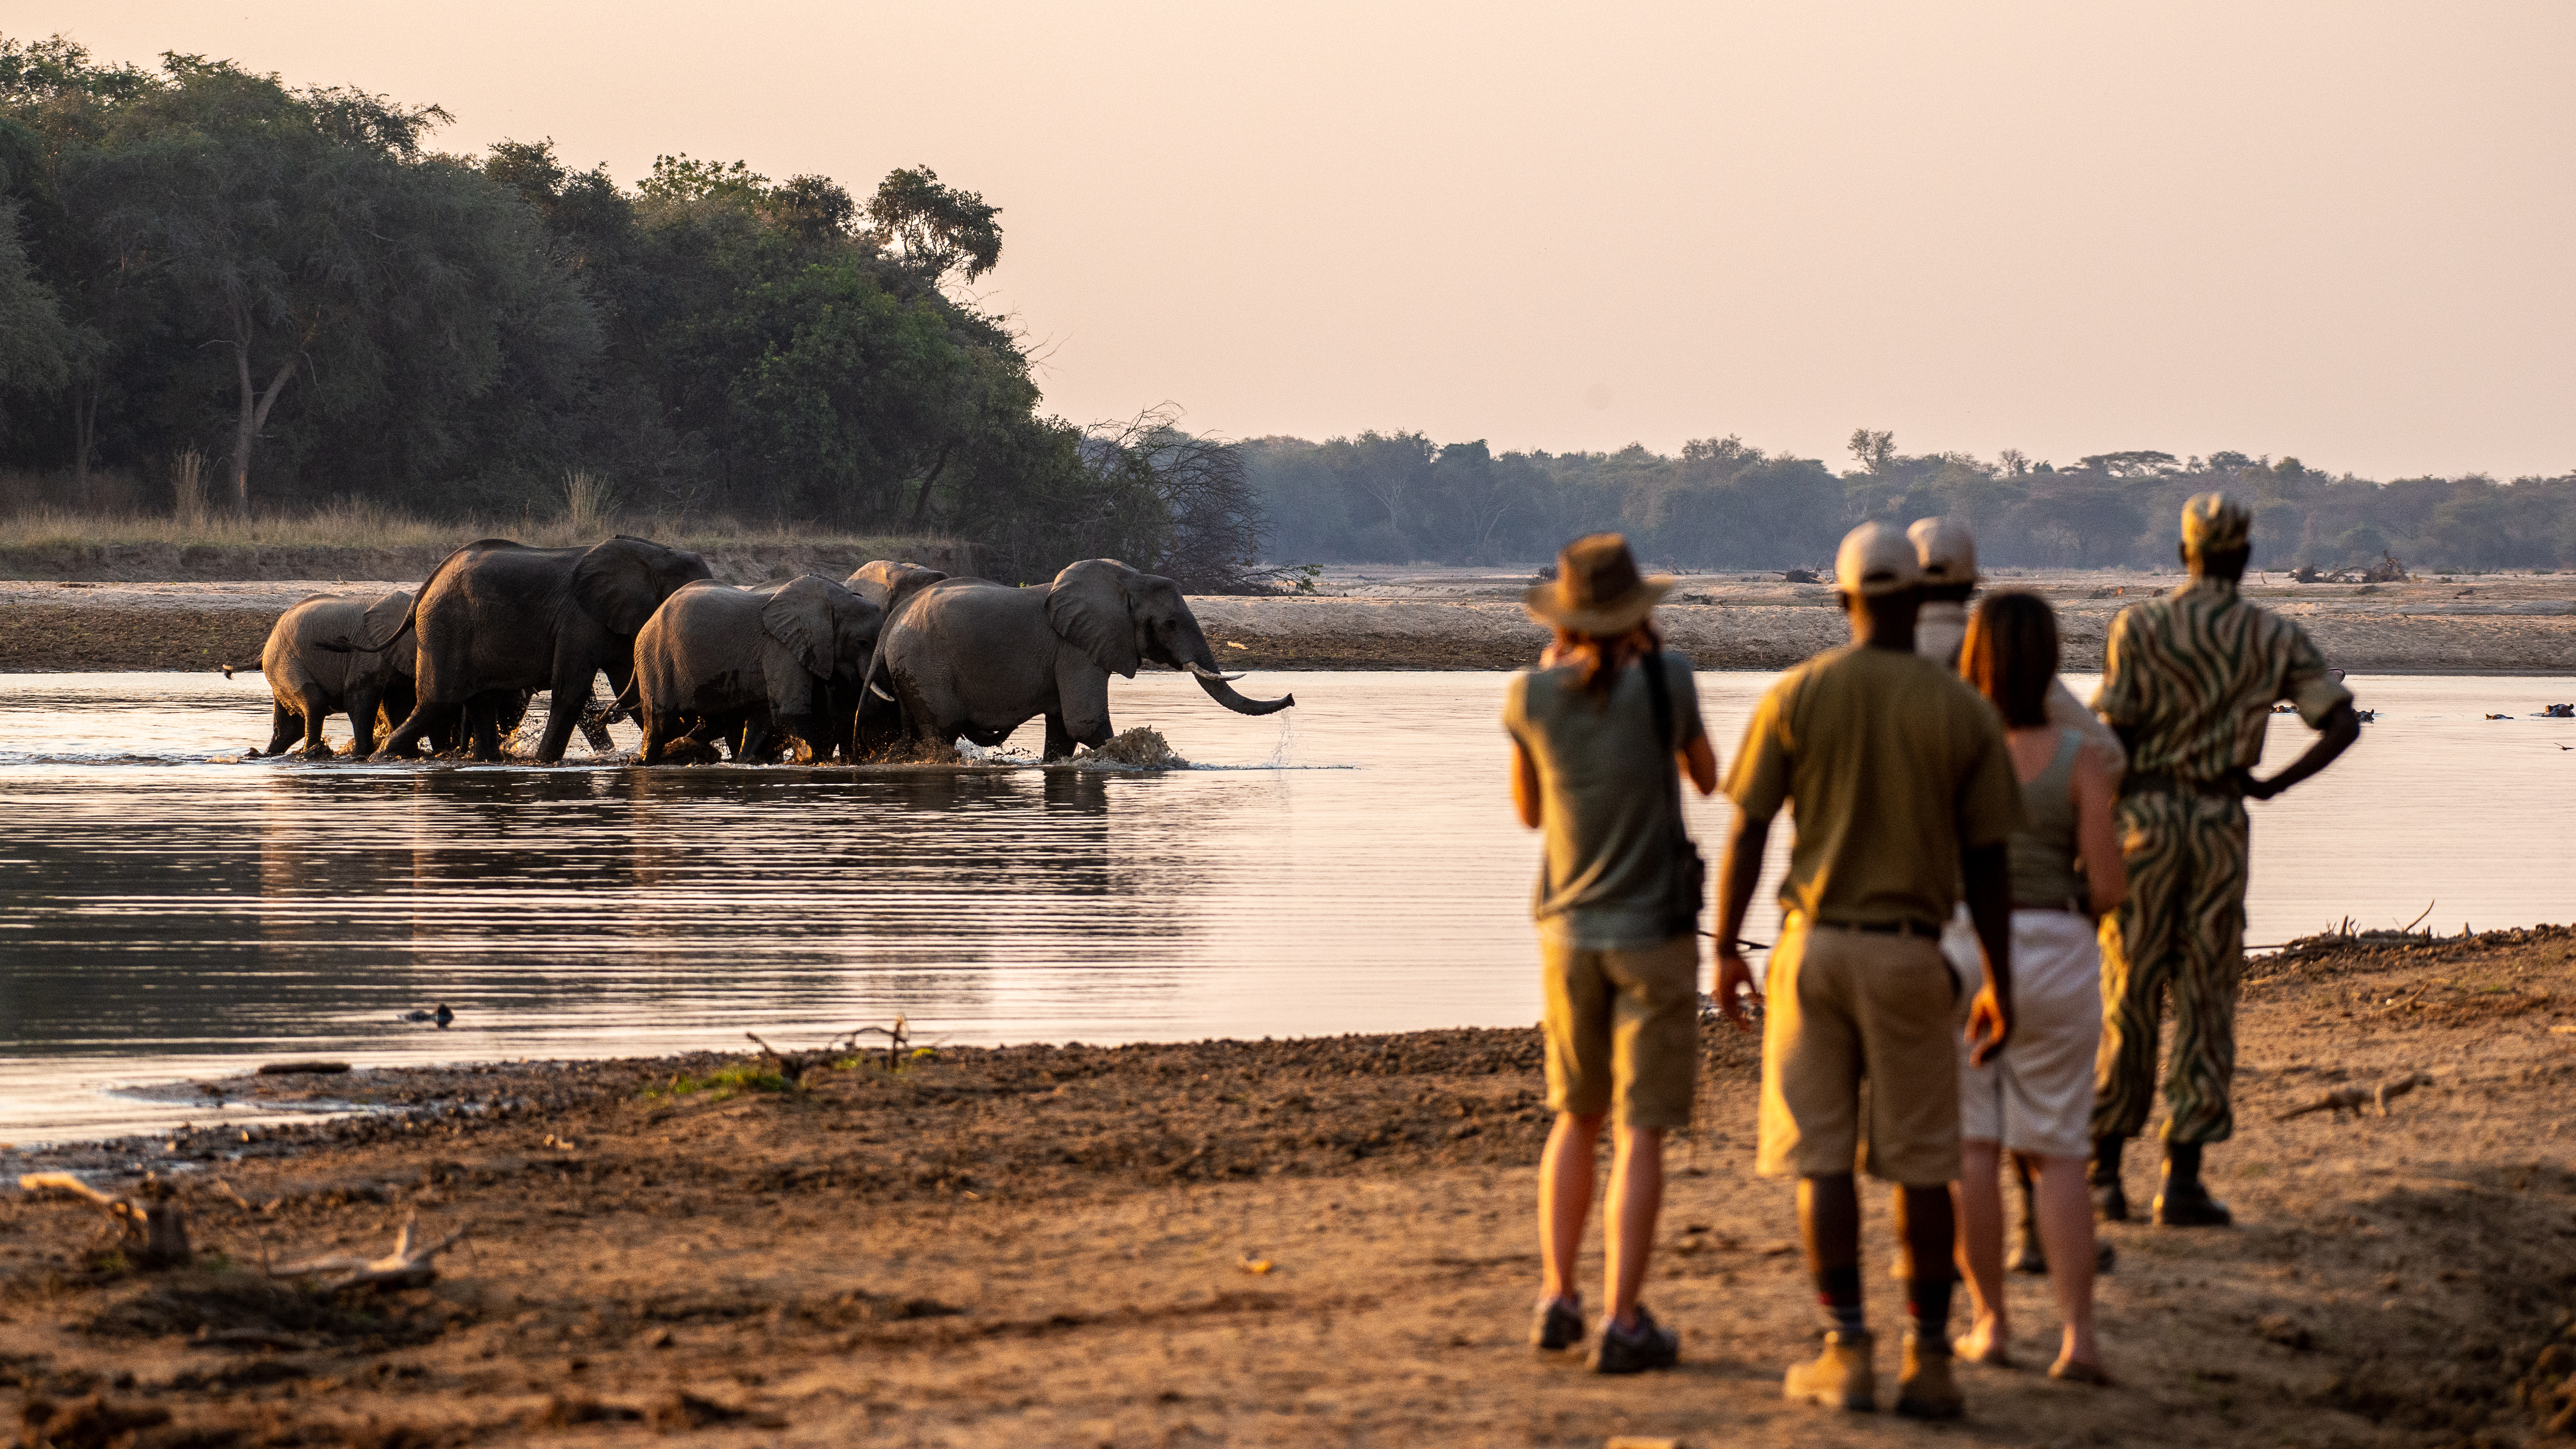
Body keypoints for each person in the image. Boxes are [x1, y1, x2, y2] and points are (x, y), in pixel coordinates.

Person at [1711, 521, 2022, 1420]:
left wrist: (1728, 946)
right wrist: (1997, 978)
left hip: (1812, 948)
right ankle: (1929, 1359)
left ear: (1843, 599)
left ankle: (1845, 1348)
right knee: (1923, 1165)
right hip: (1910, 952)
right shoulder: (1958, 708)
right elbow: (1991, 862)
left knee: (1822, 1162)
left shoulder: (1798, 695)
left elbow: (1748, 828)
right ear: (1919, 598)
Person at [2089, 494, 2360, 1225]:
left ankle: (2104, 1170)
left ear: (2183, 553)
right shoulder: (2272, 636)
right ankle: (2180, 1179)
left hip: (2140, 823)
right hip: (2217, 824)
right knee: (2207, 995)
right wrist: (2269, 786)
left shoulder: (2138, 627)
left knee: (2128, 988)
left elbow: (2106, 735)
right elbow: (2338, 723)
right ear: (2243, 557)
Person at [1506, 533, 1719, 1375]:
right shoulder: (1670, 681)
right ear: (1637, 615)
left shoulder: (1529, 696)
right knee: (1641, 1133)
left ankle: (1558, 1295)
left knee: (1576, 1118)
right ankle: (1623, 1317)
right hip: (1655, 938)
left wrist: (1553, 673)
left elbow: (1529, 815)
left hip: (1566, 934)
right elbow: (1705, 779)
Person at [1909, 515, 2123, 1275]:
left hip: (1933, 919)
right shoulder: (1997, 650)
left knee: (1962, 1122)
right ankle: (2046, 1245)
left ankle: (1967, 1305)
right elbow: (2103, 752)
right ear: (1971, 578)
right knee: (2048, 1120)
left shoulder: (1881, 656)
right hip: (2045, 929)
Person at [1948, 592, 2124, 1384]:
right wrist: (2062, 909)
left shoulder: (1953, 751)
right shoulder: (2078, 758)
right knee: (2056, 1153)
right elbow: (2111, 885)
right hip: (2056, 948)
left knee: (1974, 1148)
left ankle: (1989, 1325)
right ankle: (2078, 1339)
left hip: (1966, 951)